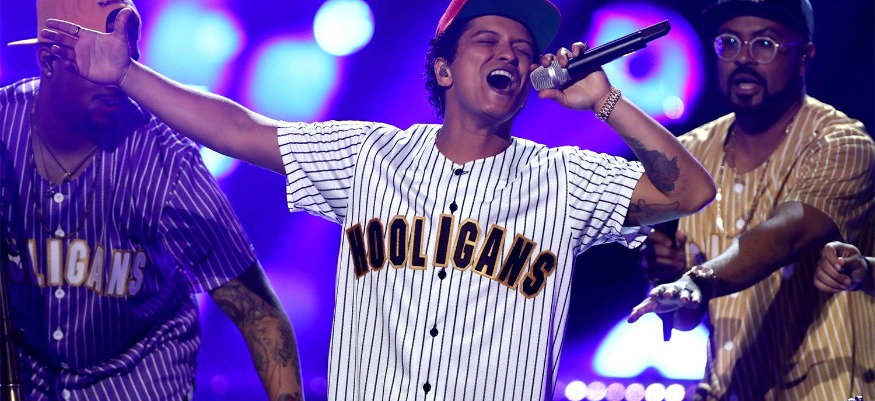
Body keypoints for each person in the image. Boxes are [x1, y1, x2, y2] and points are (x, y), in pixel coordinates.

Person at [41, 0, 717, 399]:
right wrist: (127, 73)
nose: (509, 53)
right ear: (444, 67)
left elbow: (689, 190)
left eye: (521, 47)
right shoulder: (369, 156)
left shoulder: (563, 179)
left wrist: (605, 100)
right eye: (487, 40)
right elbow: (239, 130)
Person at [1, 0, 304, 400]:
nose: (114, 76)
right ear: (48, 61)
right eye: (98, 57)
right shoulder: (5, 127)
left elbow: (260, 314)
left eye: (127, 56)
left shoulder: (166, 158)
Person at [629, 0, 875, 400]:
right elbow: (689, 319)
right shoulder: (692, 156)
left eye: (764, 44)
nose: (742, 58)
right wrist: (669, 279)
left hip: (828, 390)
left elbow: (787, 236)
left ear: (805, 56)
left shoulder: (842, 143)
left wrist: (695, 279)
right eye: (729, 43)